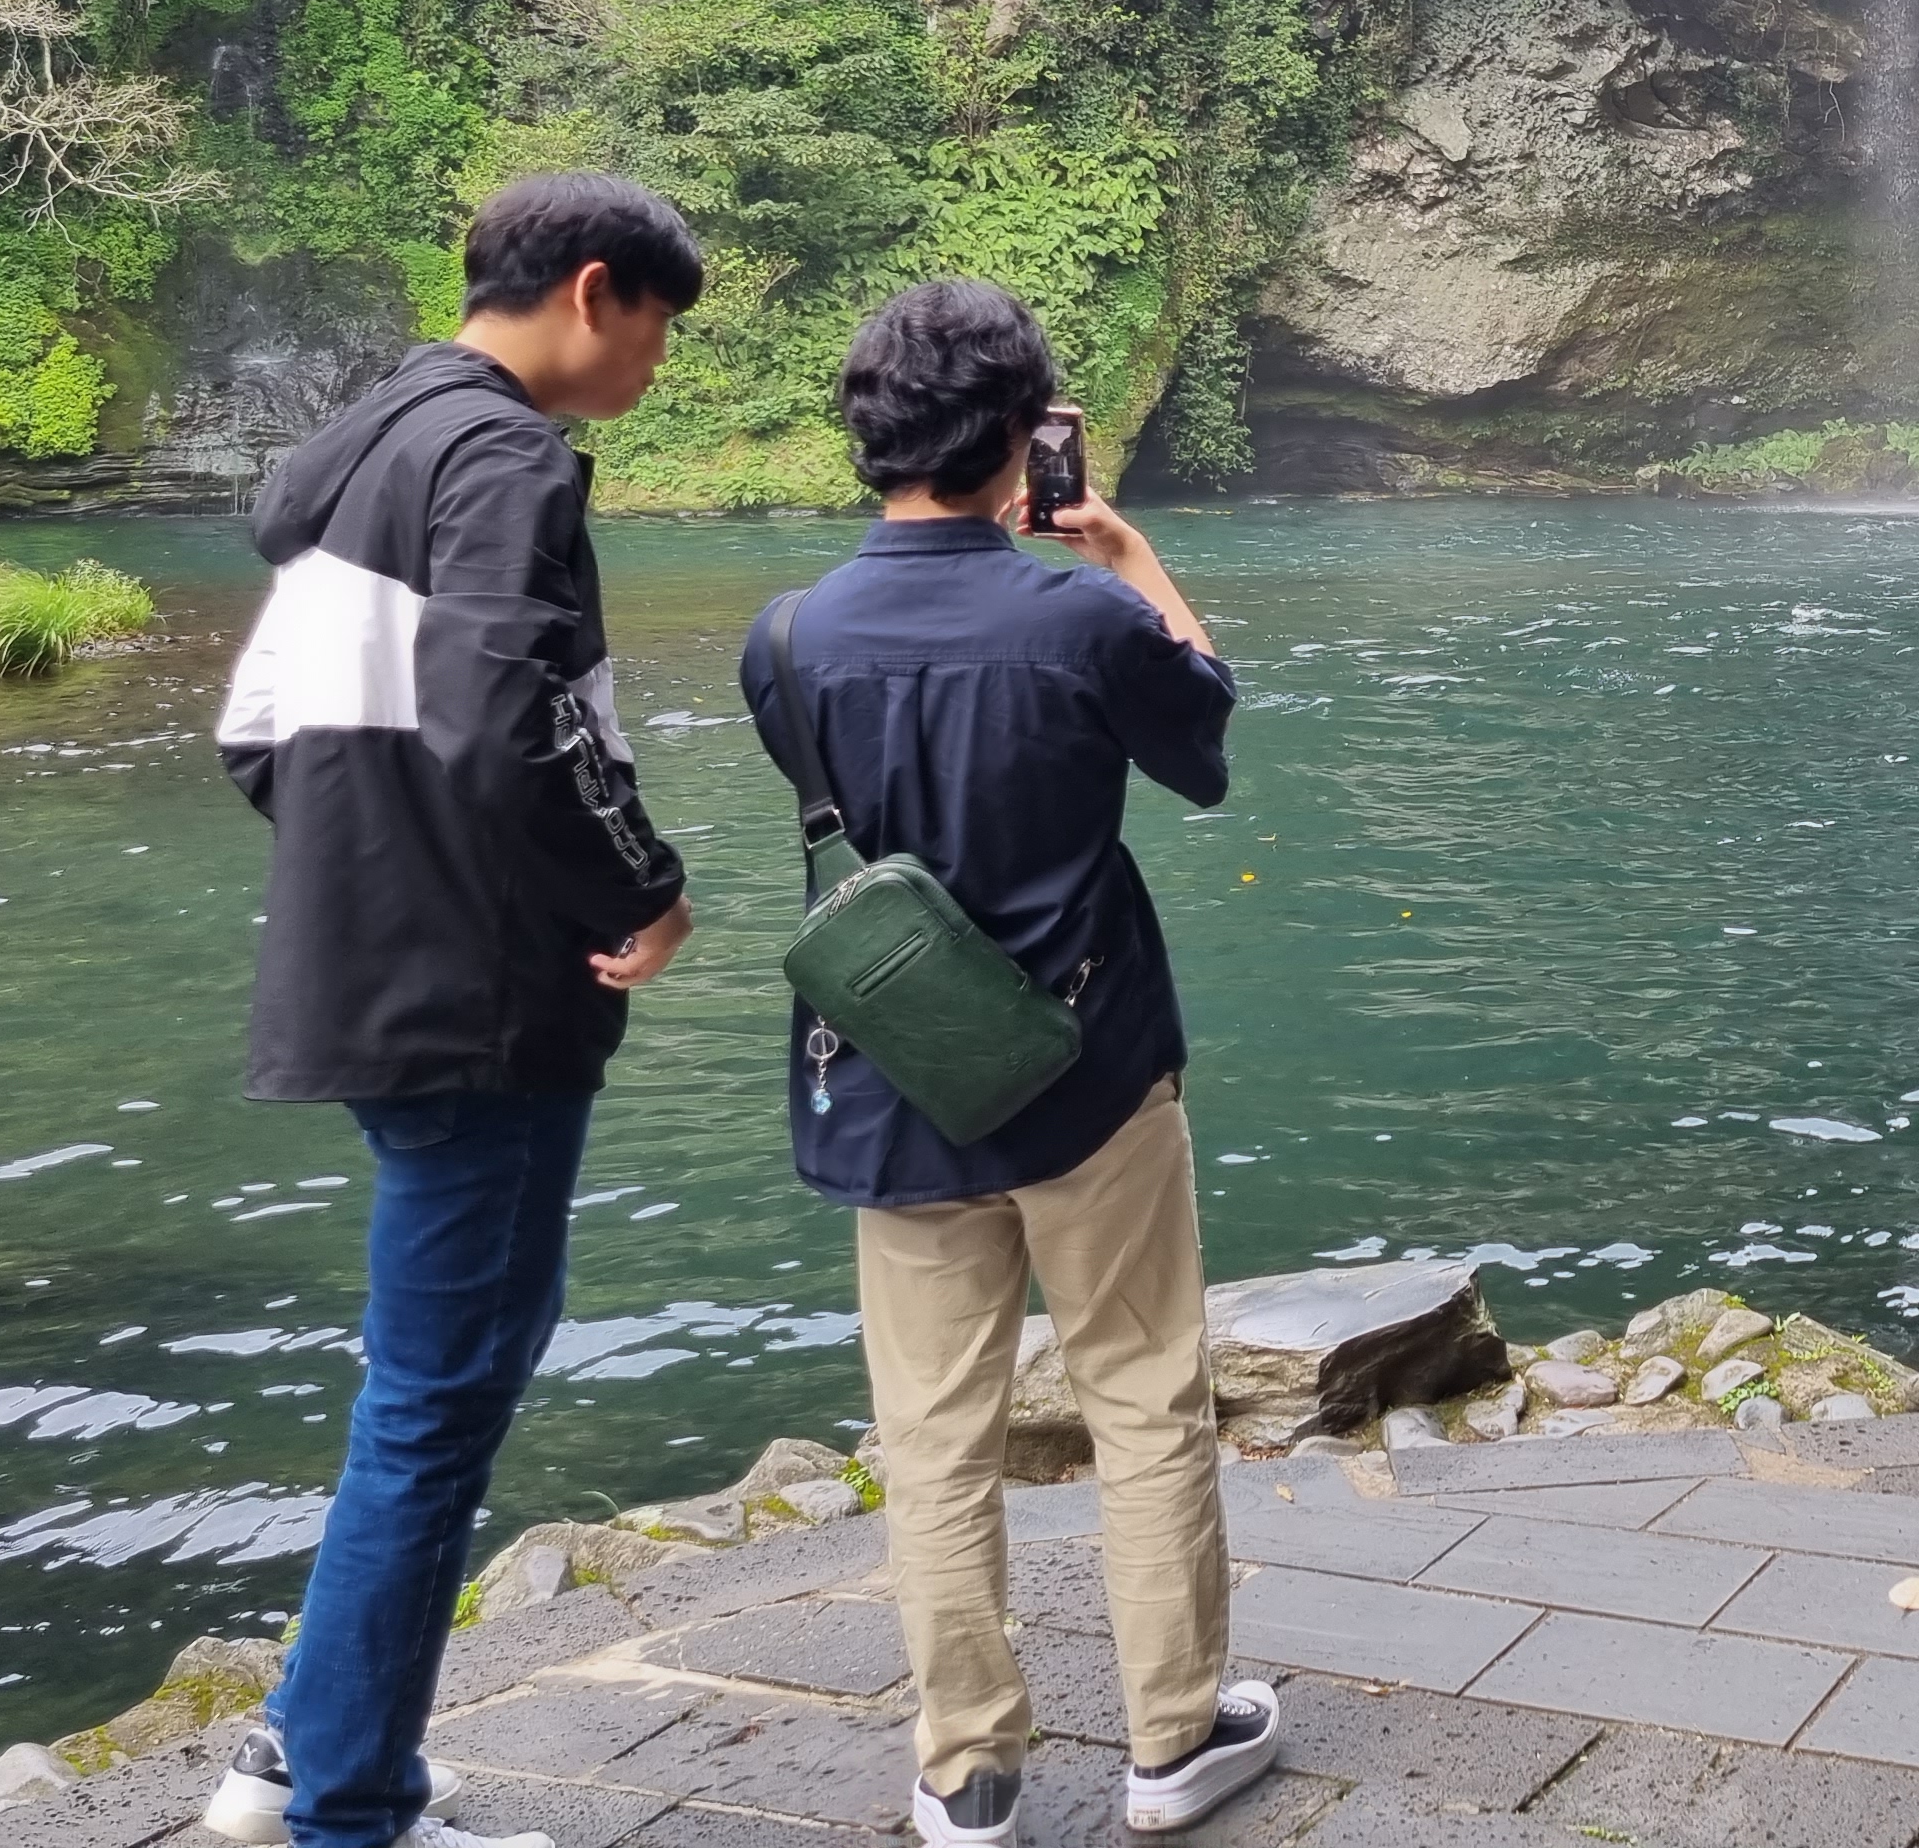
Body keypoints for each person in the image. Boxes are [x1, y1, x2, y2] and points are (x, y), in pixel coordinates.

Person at [739, 279, 1278, 1843]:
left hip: (899, 1075)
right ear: (1023, 437)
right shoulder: (1079, 620)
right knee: (1144, 1397)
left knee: (931, 1437)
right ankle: (1174, 1740)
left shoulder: (787, 642)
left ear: (870, 435)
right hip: (1091, 1078)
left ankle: (966, 1769)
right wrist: (1129, 556)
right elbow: (1204, 746)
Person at [206, 172, 708, 1848]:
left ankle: (299, 1745)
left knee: (419, 1392)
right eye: (657, 327)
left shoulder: (357, 459)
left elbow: (257, 736)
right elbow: (513, 718)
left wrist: (378, 871)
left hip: (366, 977)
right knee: (437, 1408)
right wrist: (641, 886)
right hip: (480, 1001)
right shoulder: (504, 458)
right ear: (592, 289)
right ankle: (347, 1807)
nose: (655, 364)